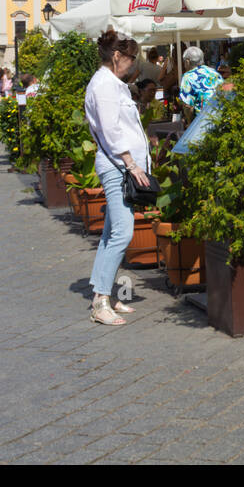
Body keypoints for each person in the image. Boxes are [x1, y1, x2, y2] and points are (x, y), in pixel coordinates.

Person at [84, 31, 149, 327]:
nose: (133, 63)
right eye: (132, 57)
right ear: (117, 57)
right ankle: (100, 301)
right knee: (122, 233)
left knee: (112, 233)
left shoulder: (112, 84)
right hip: (117, 167)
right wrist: (131, 164)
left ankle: (105, 293)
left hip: (119, 165)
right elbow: (110, 130)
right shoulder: (105, 86)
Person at [178, 45, 223, 113]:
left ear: (187, 62)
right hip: (221, 114)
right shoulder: (214, 72)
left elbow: (187, 105)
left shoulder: (188, 76)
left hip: (202, 119)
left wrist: (189, 122)